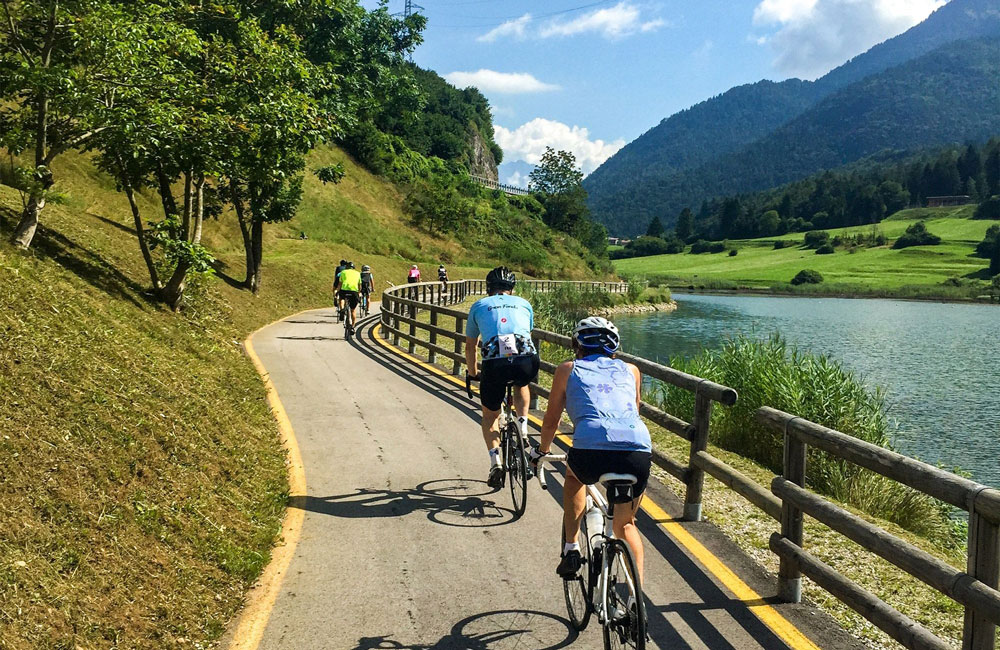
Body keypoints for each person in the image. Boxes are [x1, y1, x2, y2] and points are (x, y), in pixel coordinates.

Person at [531, 316, 652, 582]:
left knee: (574, 478)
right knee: (626, 524)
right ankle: (636, 602)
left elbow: (551, 420)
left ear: (578, 344)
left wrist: (541, 451)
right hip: (637, 450)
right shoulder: (632, 370)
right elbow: (635, 408)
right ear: (613, 347)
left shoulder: (568, 369)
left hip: (590, 450)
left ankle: (571, 547)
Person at [465, 267, 539, 488]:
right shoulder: (524, 303)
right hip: (526, 361)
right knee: (522, 383)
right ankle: (523, 426)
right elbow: (526, 334)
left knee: (490, 416)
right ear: (512, 289)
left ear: (489, 288)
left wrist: (472, 372)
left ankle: (496, 461)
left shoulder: (479, 306)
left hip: (494, 365)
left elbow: (471, 346)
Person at [334, 262, 362, 335]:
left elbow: (340, 283)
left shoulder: (343, 272)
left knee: (341, 298)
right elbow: (359, 285)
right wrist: (359, 292)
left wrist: (337, 290)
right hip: (354, 292)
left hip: (344, 290)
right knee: (353, 310)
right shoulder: (358, 273)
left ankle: (342, 309)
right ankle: (352, 326)